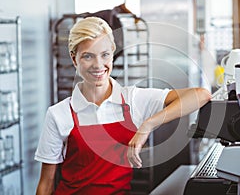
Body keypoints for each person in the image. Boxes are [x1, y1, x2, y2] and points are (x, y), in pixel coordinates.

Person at [35, 17, 211, 195]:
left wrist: (148, 125)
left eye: (105, 55)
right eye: (88, 56)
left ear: (112, 54)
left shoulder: (132, 99)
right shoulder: (59, 114)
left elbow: (201, 95)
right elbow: (45, 185)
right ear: (74, 60)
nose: (98, 65)